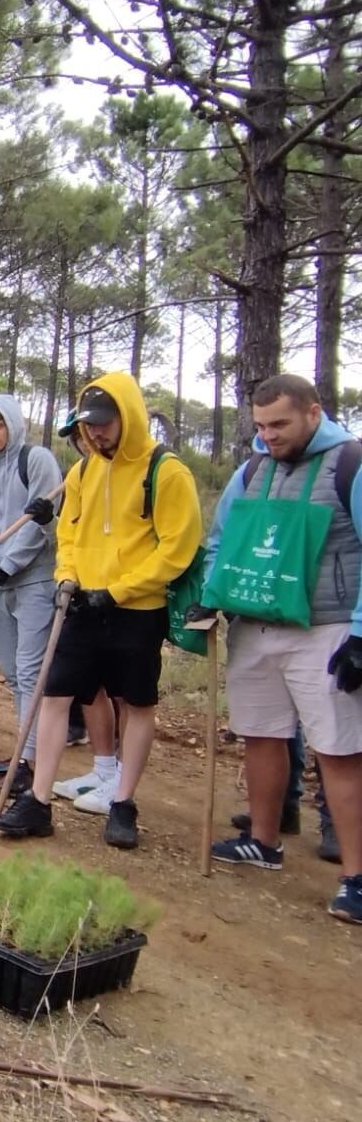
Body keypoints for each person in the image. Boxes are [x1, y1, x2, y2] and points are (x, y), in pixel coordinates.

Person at [0, 373, 202, 849]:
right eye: (91, 425)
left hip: (137, 609)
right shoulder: (83, 471)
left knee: (137, 702)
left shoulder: (166, 472)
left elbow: (177, 549)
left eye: (106, 424)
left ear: (128, 417)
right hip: (81, 603)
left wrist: (121, 590)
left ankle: (123, 802)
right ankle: (38, 802)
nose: (97, 433)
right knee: (56, 695)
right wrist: (67, 574)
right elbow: (69, 532)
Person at [196, 374, 362, 922]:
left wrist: (360, 633)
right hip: (256, 624)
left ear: (313, 413)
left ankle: (356, 877)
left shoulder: (350, 465)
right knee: (261, 735)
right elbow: (223, 539)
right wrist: (209, 594)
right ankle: (263, 841)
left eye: (280, 424)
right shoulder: (252, 470)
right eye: (261, 425)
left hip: (326, 628)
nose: (269, 435)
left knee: (339, 750)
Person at [0, 395, 63, 792]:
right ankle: (25, 751)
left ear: (13, 424)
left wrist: (7, 564)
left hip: (35, 579)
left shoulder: (36, 460)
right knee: (11, 670)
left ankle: (31, 759)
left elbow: (41, 523)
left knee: (30, 670)